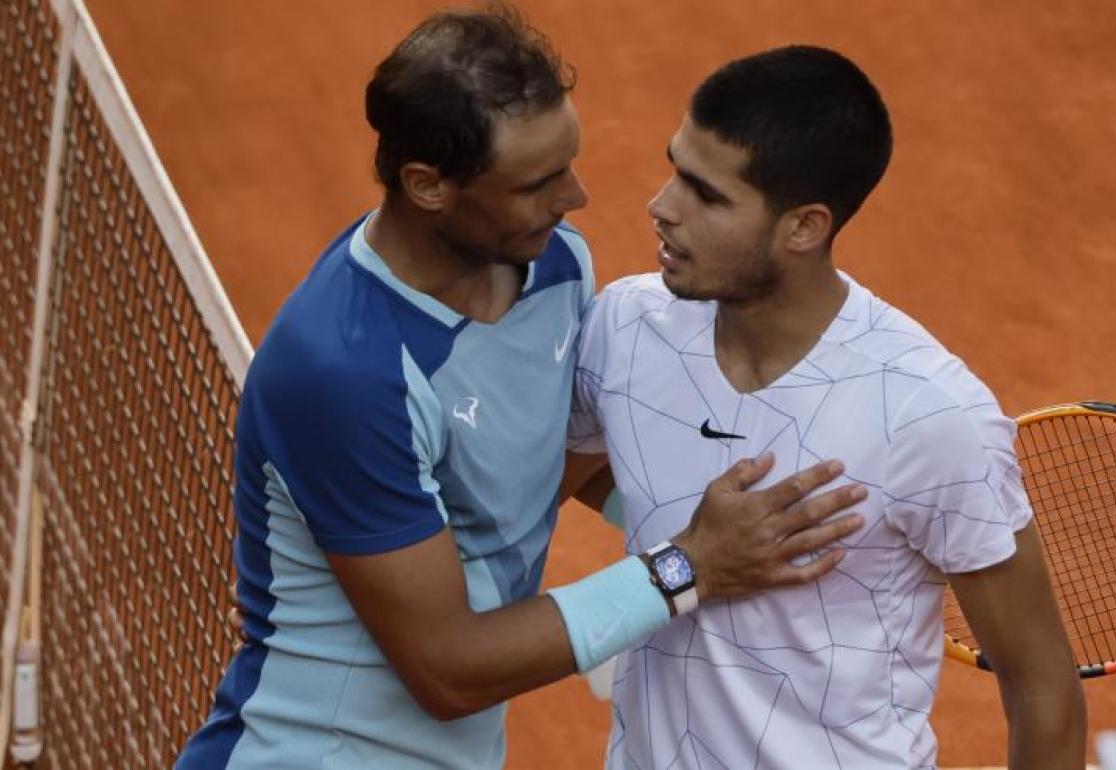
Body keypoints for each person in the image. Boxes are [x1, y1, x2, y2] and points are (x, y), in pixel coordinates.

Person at [175, 9, 867, 770]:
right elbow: (448, 669)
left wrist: (768, 532)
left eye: (567, 164)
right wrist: (687, 566)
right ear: (428, 185)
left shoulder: (555, 265)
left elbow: (538, 465)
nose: (575, 199)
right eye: (537, 183)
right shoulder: (342, 372)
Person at [568, 46, 1087, 769]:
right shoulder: (626, 328)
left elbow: (1041, 685)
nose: (663, 207)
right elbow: (555, 484)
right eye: (675, 167)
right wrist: (706, 547)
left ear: (805, 227)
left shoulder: (926, 414)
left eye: (706, 194)